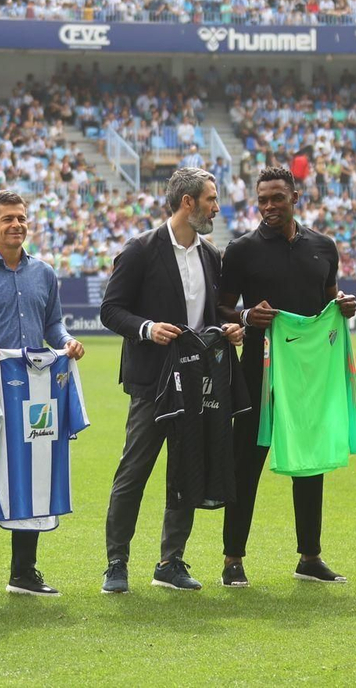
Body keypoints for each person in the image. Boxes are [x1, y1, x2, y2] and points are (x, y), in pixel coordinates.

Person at [98, 168, 242, 594]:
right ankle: (116, 562)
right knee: (134, 472)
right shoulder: (140, 250)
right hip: (151, 383)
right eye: (211, 199)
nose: (217, 206)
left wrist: (231, 330)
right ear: (188, 202)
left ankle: (170, 562)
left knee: (186, 474)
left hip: (197, 383)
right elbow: (111, 310)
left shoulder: (211, 256)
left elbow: (214, 315)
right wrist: (147, 329)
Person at [217, 167, 356, 587]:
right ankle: (232, 559)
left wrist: (343, 302)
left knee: (309, 461)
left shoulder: (323, 247)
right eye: (262, 200)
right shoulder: (241, 250)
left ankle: (309, 557)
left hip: (307, 373)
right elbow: (222, 307)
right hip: (257, 370)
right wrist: (244, 315)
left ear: (295, 196)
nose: (268, 207)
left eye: (277, 198)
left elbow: (329, 298)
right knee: (246, 463)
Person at [0, 189, 85, 601]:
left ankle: (23, 571)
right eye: (7, 219)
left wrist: (69, 341)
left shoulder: (43, 272)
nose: (17, 225)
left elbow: (55, 325)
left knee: (33, 475)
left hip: (36, 393)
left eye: (21, 218)